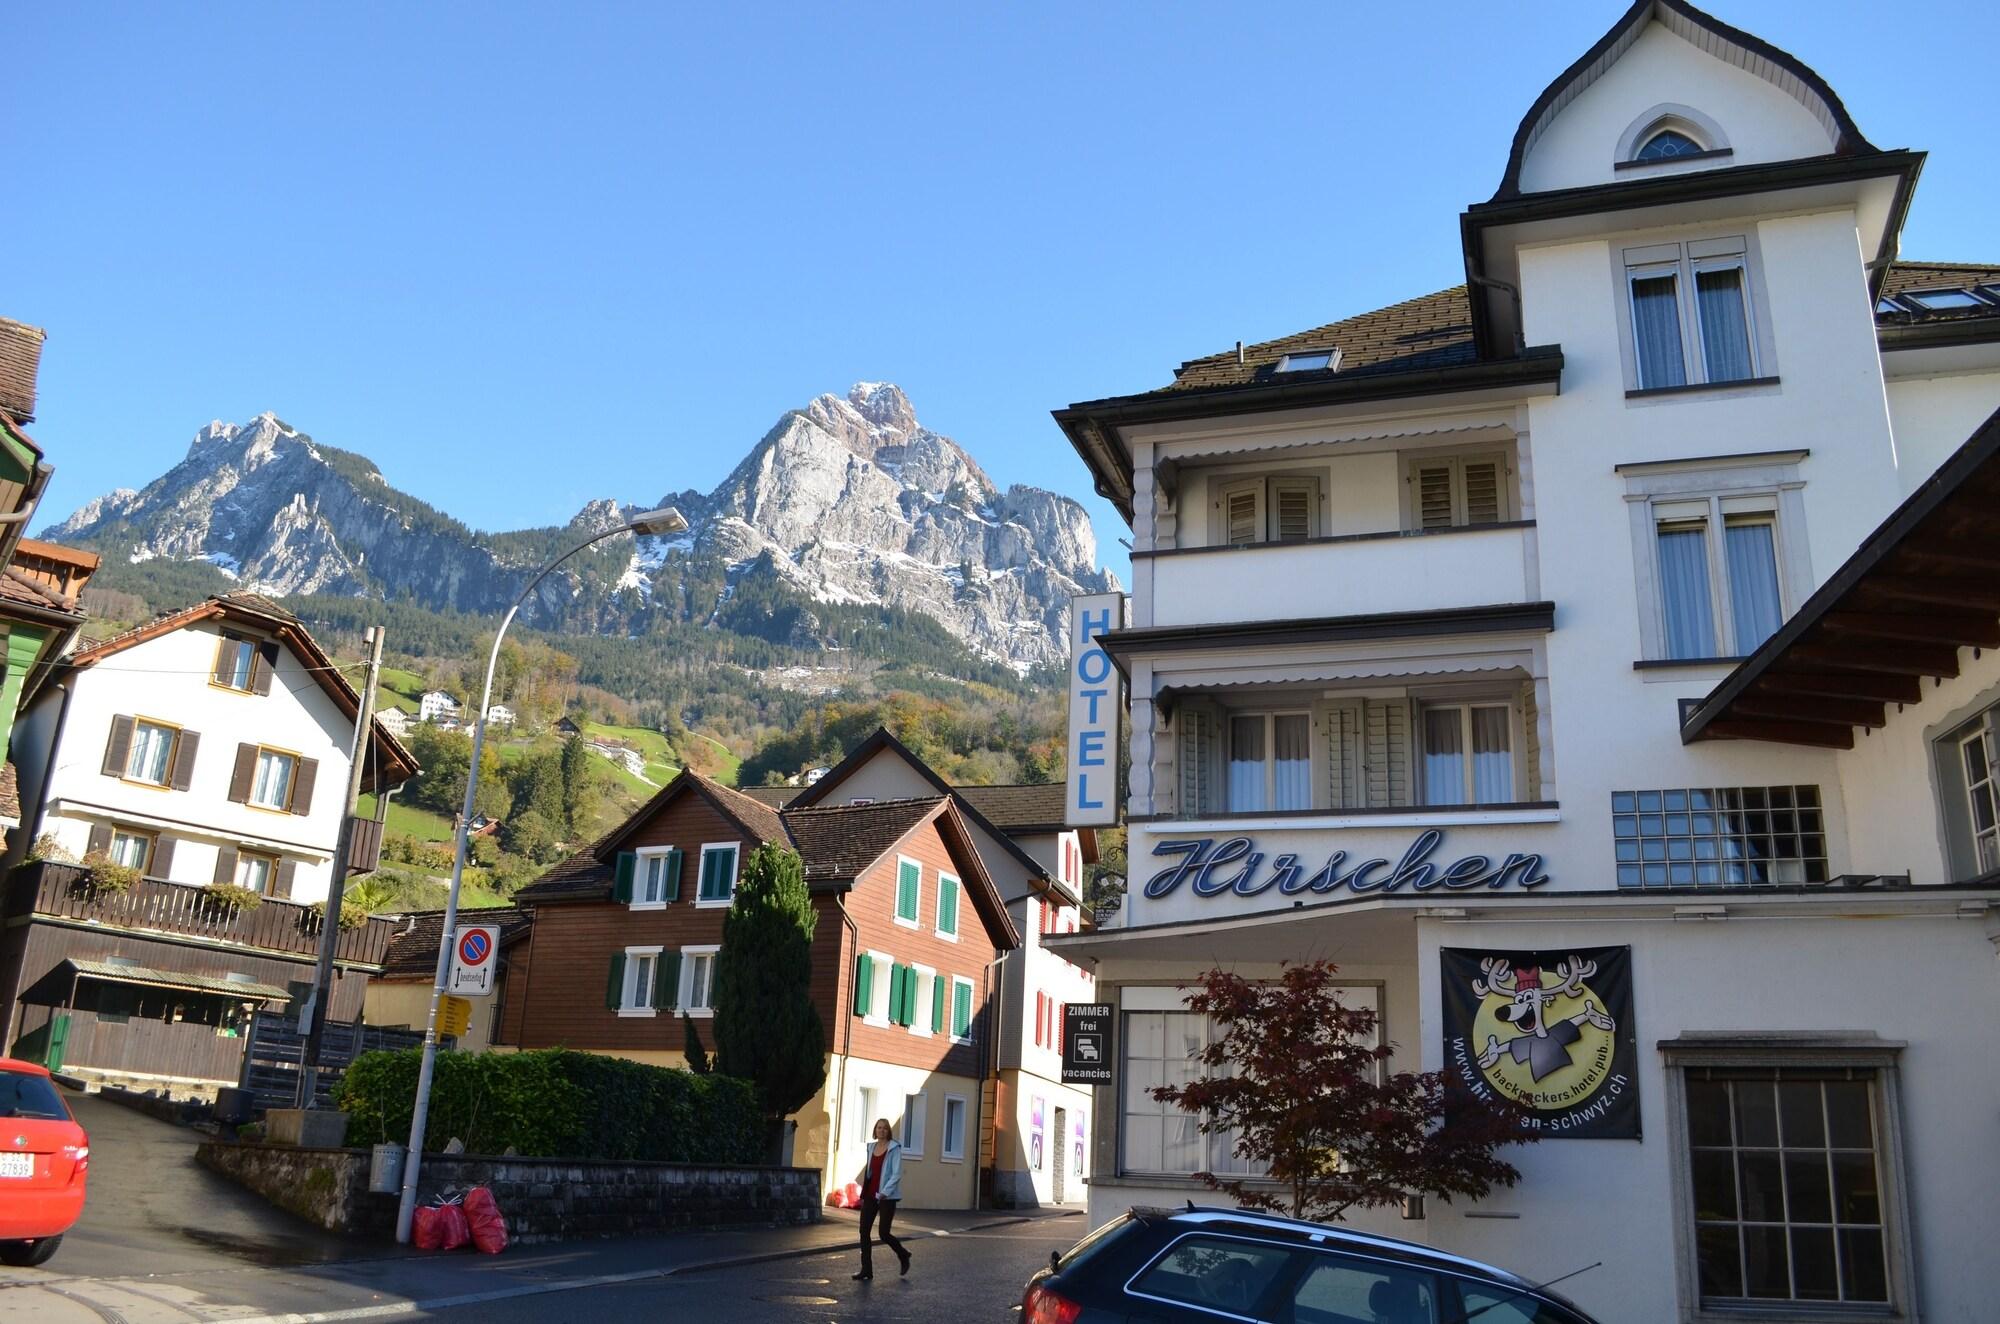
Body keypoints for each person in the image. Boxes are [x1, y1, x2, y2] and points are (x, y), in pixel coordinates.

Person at [853, 1117, 910, 1280]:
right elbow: (871, 1171)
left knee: (884, 1233)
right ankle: (866, 1270)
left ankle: (903, 1254)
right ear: (875, 1130)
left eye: (885, 1128)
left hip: (887, 1197)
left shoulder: (894, 1148)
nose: (882, 1131)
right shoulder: (871, 1147)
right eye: (879, 1128)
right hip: (871, 1194)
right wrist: (865, 1190)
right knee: (864, 1231)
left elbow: (896, 1173)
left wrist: (885, 1192)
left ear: (888, 1131)